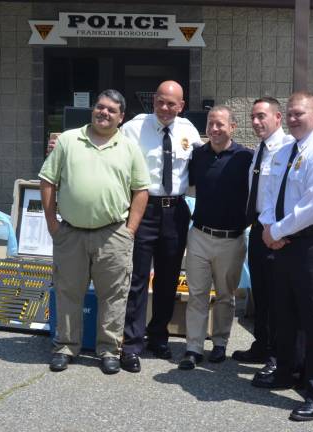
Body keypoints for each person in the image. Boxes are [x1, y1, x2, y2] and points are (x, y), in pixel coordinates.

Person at [253, 91, 313, 422]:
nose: (294, 118)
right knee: (285, 313)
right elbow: (270, 194)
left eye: (300, 114)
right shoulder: (285, 151)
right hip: (284, 242)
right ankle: (286, 372)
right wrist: (269, 227)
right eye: (291, 113)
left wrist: (276, 232)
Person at [39, 89, 150, 375]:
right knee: (67, 292)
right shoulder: (68, 140)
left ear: (121, 117)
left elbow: (141, 190)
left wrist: (131, 230)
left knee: (114, 295)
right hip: (71, 233)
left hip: (113, 234)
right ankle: (65, 346)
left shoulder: (129, 148)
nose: (104, 113)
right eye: (100, 107)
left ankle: (109, 350)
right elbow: (48, 181)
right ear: (93, 110)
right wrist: (53, 225)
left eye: (112, 110)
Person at [119, 81, 201, 373]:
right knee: (137, 279)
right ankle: (130, 343)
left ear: (181, 105)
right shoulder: (133, 128)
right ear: (154, 100)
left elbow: (211, 157)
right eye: (161, 102)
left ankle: (159, 336)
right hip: (144, 209)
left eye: (172, 104)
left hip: (176, 211)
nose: (165, 109)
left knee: (168, 278)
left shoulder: (189, 131)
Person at [178, 105, 253, 370]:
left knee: (225, 295)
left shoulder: (246, 158)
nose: (214, 129)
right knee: (197, 294)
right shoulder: (198, 155)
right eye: (211, 124)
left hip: (231, 240)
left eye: (220, 124)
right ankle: (193, 348)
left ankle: (220, 343)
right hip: (199, 235)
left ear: (233, 126)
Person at [232, 97, 294, 377]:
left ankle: (276, 355)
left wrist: (278, 230)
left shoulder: (289, 149)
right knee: (261, 292)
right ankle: (262, 344)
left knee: (278, 296)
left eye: (261, 116)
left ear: (278, 117)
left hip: (279, 233)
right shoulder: (260, 150)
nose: (256, 122)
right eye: (253, 117)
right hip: (258, 229)